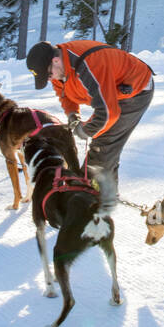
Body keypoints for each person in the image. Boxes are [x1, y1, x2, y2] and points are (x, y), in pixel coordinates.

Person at [25, 39, 154, 212]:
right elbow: (65, 95)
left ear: (55, 61)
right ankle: (106, 195)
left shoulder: (88, 65)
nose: (50, 80)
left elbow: (108, 114)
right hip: (113, 95)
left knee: (101, 147)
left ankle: (89, 204)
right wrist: (73, 115)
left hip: (135, 92)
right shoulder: (59, 68)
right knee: (105, 147)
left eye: (48, 75)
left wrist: (86, 130)